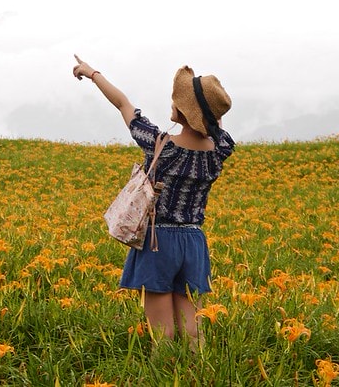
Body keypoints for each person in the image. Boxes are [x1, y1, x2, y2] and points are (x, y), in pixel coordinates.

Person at [72, 54, 235, 348]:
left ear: (183, 111)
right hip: (194, 242)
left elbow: (123, 104)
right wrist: (203, 101)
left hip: (158, 241)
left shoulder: (161, 145)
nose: (173, 102)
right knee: (191, 327)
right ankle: (196, 374)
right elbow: (215, 122)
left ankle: (165, 372)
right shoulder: (220, 149)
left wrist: (92, 73)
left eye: (178, 100)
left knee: (163, 332)